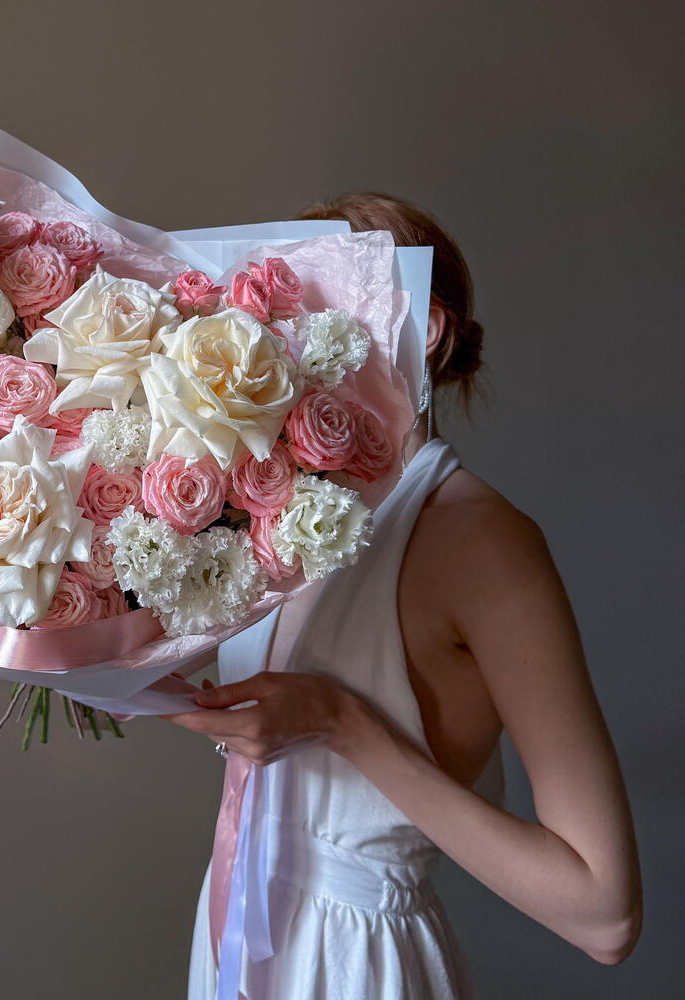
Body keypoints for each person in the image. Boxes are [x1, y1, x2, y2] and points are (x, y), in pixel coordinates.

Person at [163, 192, 642, 999]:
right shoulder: (282, 513)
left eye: (317, 304)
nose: (279, 339)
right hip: (238, 929)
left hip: (357, 965)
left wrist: (344, 725)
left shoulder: (482, 543)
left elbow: (605, 911)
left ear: (425, 327)